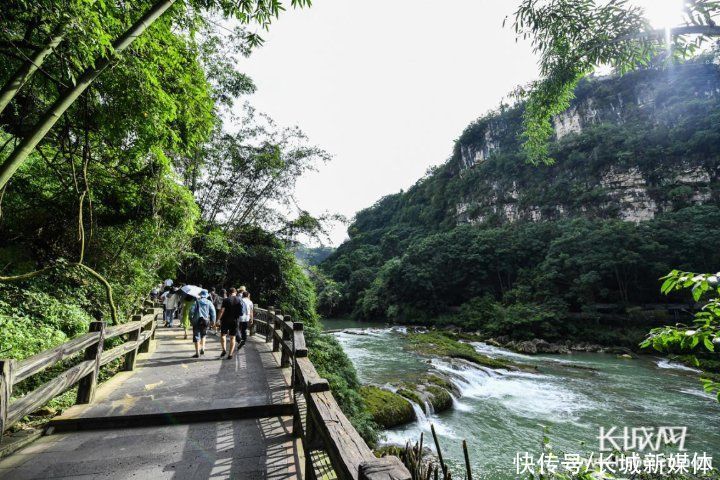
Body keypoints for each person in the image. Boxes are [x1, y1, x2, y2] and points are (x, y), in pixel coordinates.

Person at [216, 287, 246, 360]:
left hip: (225, 320)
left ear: (228, 293)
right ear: (235, 292)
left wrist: (218, 320)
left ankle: (224, 350)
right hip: (235, 320)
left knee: (223, 335)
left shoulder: (226, 300)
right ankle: (230, 354)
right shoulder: (239, 299)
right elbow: (242, 311)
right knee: (233, 337)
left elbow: (222, 310)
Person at [189, 290, 216, 358]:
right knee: (203, 335)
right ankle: (203, 348)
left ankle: (197, 352)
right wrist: (213, 321)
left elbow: (191, 311)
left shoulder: (196, 302)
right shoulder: (209, 302)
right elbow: (213, 312)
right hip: (205, 321)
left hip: (196, 321)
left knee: (196, 336)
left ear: (200, 295)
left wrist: (191, 319)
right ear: (206, 295)